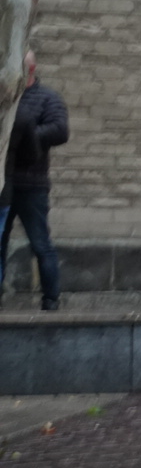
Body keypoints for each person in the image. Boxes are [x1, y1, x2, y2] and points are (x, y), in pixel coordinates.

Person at [2, 52, 69, 311]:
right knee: (0, 241)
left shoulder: (47, 98)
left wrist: (24, 134)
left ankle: (51, 300)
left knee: (41, 244)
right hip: (3, 184)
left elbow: (60, 130)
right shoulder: (5, 96)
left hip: (32, 184)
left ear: (30, 69)